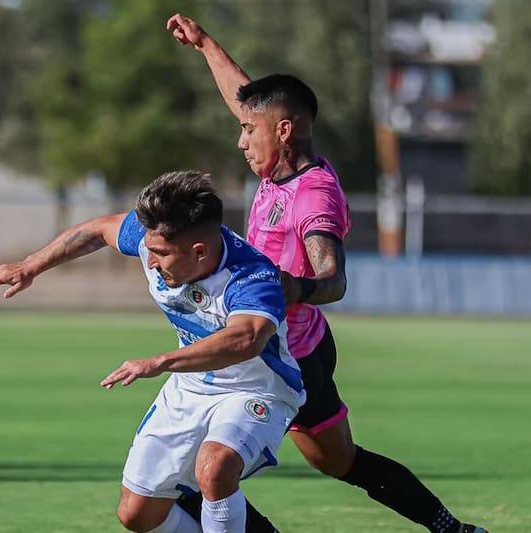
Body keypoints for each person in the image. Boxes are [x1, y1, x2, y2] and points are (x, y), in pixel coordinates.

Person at [167, 14, 489, 533]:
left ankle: (452, 528)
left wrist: (293, 287)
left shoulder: (313, 194)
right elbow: (245, 99)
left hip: (287, 354)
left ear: (284, 130)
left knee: (224, 470)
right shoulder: (279, 164)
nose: (241, 140)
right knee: (323, 461)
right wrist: (205, 45)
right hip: (276, 344)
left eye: (249, 131)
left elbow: (334, 280)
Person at [0, 170, 305, 533]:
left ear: (199, 251)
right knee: (137, 515)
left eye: (160, 254)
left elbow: (245, 339)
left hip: (255, 390)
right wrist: (30, 265)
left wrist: (160, 362)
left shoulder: (251, 276)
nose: (151, 262)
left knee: (215, 467)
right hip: (190, 388)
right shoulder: (155, 238)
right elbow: (99, 230)